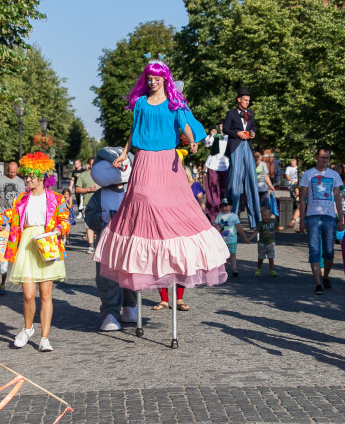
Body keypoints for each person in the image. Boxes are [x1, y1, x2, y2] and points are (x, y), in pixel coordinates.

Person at [97, 58, 228, 296]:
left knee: (172, 205)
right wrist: (124, 154)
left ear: (164, 80)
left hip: (168, 160)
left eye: (157, 79)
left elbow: (184, 125)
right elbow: (134, 131)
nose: (154, 82)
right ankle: (147, 254)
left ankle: (173, 254)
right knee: (143, 199)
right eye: (150, 79)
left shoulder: (173, 103)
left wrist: (191, 140)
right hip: (145, 158)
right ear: (146, 81)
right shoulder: (141, 103)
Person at [5, 152, 71, 352]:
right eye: (26, 176)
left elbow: (66, 221)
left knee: (45, 294)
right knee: (28, 294)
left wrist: (59, 230)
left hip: (47, 243)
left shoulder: (56, 199)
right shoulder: (21, 199)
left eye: (31, 176)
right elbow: (7, 217)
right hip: (27, 245)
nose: (27, 179)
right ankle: (27, 329)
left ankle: (44, 337)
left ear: (42, 177)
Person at [84, 148, 138, 332]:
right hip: (106, 242)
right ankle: (110, 313)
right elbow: (89, 216)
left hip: (130, 242)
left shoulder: (134, 192)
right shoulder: (100, 195)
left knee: (130, 275)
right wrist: (101, 218)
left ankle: (130, 306)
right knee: (107, 277)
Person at [298, 146, 345, 295]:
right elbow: (302, 199)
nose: (325, 160)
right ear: (317, 158)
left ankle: (325, 276)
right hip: (312, 216)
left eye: (327, 158)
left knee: (329, 251)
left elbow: (338, 198)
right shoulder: (308, 174)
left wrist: (341, 219)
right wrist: (301, 219)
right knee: (314, 249)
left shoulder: (334, 175)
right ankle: (318, 283)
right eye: (322, 157)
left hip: (330, 216)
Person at [224, 87, 260, 229]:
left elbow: (254, 126)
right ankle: (231, 216)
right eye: (245, 100)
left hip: (247, 147)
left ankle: (255, 220)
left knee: (251, 180)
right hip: (236, 146)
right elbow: (226, 129)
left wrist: (253, 133)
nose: (247, 102)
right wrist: (238, 133)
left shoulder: (250, 113)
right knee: (235, 181)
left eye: (249, 100)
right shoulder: (231, 114)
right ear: (239, 100)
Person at [202, 123, 230, 222]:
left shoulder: (230, 137)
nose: (221, 128)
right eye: (220, 126)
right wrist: (210, 135)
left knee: (224, 190)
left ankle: (225, 213)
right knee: (211, 189)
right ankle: (213, 214)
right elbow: (206, 144)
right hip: (213, 165)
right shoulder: (215, 136)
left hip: (225, 165)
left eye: (223, 126)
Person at [73, 158, 99, 253]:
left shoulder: (101, 174)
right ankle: (91, 246)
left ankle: (100, 245)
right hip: (87, 204)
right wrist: (88, 189)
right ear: (88, 165)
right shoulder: (83, 175)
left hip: (101, 203)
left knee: (102, 224)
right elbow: (77, 190)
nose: (95, 165)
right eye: (93, 164)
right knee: (89, 226)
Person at [214, 199, 242, 279]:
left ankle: (234, 269)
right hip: (222, 240)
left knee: (232, 254)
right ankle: (224, 269)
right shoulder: (220, 215)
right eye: (222, 206)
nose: (224, 208)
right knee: (223, 255)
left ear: (231, 207)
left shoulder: (234, 216)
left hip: (232, 239)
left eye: (226, 206)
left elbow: (238, 226)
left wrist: (244, 236)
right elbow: (215, 224)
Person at [248, 206, 278, 277]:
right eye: (262, 216)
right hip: (262, 243)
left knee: (271, 257)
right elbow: (256, 232)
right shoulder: (261, 224)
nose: (264, 217)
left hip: (271, 243)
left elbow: (278, 228)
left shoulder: (274, 221)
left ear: (270, 215)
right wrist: (249, 239)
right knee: (261, 258)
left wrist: (286, 227)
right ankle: (258, 268)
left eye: (266, 215)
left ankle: (272, 270)